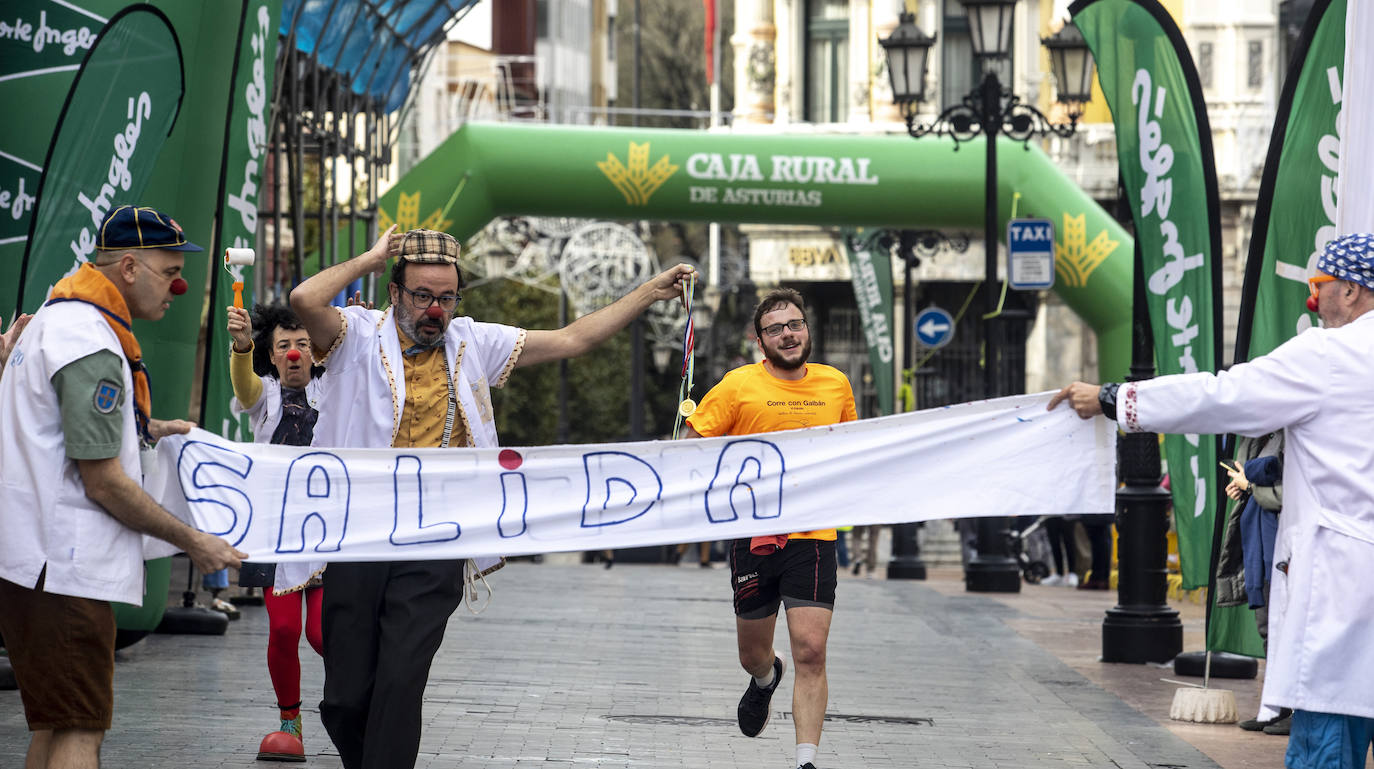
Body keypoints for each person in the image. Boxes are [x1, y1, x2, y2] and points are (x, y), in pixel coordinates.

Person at [289, 226, 693, 769]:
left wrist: (650, 292)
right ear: (396, 293)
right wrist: (370, 257)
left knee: (402, 679)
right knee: (345, 698)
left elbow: (574, 338)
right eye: (424, 296)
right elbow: (302, 299)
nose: (437, 309)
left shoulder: (473, 342)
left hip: (436, 538)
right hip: (358, 532)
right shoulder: (354, 335)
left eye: (448, 297)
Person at [1049, 232, 1374, 769]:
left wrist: (1117, 399)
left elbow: (1223, 396)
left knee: (1327, 734)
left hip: (1342, 578)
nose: (1315, 303)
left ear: (1354, 290)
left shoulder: (1330, 355)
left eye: (1320, 286)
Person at [0, 205, 246, 769]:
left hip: (32, 564)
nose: (180, 287)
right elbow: (104, 481)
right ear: (129, 268)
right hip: (62, 571)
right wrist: (194, 541)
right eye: (169, 270)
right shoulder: (90, 341)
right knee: (81, 730)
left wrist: (146, 428)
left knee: (55, 724)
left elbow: (59, 430)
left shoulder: (56, 319)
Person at [682, 288, 857, 769]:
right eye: (776, 328)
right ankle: (765, 678)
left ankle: (806, 760)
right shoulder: (738, 386)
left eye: (795, 324)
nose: (788, 333)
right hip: (754, 538)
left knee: (813, 650)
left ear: (807, 330)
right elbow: (688, 447)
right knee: (752, 653)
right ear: (761, 341)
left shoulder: (835, 384)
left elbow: (855, 450)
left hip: (813, 538)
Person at [226, 302, 329, 759]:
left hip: (328, 532)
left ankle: (358, 700)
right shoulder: (263, 394)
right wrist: (243, 345)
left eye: (303, 344)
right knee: (285, 632)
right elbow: (243, 384)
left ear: (316, 352)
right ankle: (291, 722)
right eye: (284, 345)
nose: (293, 353)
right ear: (272, 355)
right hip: (275, 534)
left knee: (324, 635)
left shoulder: (337, 390)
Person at [1217, 430, 1290, 735]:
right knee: (1268, 626)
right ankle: (1274, 706)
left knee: (1287, 626)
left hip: (1286, 539)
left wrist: (1252, 487)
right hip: (1258, 536)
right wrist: (1242, 488)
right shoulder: (1253, 436)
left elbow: (1296, 493)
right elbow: (1250, 476)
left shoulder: (1292, 435)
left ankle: (1294, 709)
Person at [1039, 516, 1079, 587]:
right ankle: (1058, 574)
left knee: (1069, 542)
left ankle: (1072, 573)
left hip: (1068, 514)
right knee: (1054, 543)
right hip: (1051, 514)